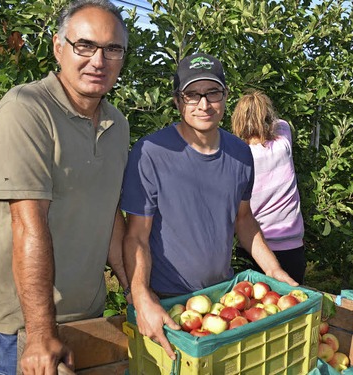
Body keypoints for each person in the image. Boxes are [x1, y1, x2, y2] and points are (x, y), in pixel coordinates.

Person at [0, 1, 130, 373]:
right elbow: (28, 224)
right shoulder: (26, 109)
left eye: (113, 49)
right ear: (58, 47)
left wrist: (135, 293)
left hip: (88, 314)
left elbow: (110, 216)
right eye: (85, 46)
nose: (99, 60)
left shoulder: (116, 124)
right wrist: (41, 331)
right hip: (24, 324)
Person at [121, 53, 298, 360]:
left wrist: (274, 270)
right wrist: (140, 296)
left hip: (222, 300)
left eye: (212, 92)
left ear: (225, 97)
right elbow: (136, 236)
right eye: (192, 95)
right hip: (166, 302)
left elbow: (244, 220)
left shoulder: (241, 153)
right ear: (178, 101)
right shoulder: (151, 152)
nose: (203, 104)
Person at [231, 90, 306, 284]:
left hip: (253, 247)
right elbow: (280, 123)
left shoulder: (237, 158)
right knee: (291, 306)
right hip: (291, 246)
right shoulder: (283, 144)